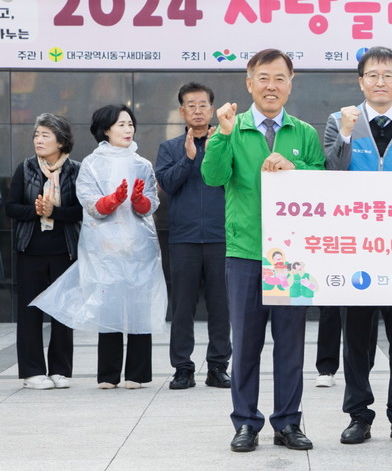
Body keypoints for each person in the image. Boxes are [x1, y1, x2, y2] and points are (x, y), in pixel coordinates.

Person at [201, 48, 324, 453]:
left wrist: (295, 168)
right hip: (245, 253)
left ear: (291, 84)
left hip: (292, 258)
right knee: (246, 345)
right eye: (264, 78)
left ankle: (288, 423)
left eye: (280, 78)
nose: (272, 86)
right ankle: (245, 423)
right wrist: (221, 135)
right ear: (249, 83)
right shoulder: (231, 128)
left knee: (290, 345)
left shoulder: (303, 133)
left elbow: (322, 181)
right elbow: (213, 176)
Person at [323, 46, 392, 445]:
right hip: (355, 245)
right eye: (372, 75)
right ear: (361, 81)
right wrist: (346, 134)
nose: (380, 82)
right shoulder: (339, 121)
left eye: (388, 75)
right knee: (357, 338)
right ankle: (358, 415)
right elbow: (330, 171)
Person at [31, 104, 167, 389]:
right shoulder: (92, 164)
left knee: (139, 308)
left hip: (138, 247)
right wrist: (111, 201)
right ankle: (108, 374)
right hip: (104, 247)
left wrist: (140, 201)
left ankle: (137, 374)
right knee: (109, 307)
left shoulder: (142, 164)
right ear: (106, 130)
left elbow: (152, 204)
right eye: (121, 125)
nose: (128, 130)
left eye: (130, 124)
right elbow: (89, 202)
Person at [155, 82, 231, 390]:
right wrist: (187, 159)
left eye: (203, 105)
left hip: (221, 236)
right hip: (183, 238)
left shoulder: (226, 142)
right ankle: (182, 369)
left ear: (212, 110)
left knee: (221, 306)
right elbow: (168, 185)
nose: (197, 110)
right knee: (182, 308)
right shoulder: (169, 148)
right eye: (191, 105)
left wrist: (217, 150)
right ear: (182, 111)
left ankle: (218, 367)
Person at [5, 113, 82, 390]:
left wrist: (54, 212)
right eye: (36, 134)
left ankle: (60, 370)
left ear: (60, 141)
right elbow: (11, 207)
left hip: (65, 250)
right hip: (30, 250)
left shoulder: (76, 170)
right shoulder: (25, 169)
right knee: (30, 313)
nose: (38, 139)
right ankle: (32, 372)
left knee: (63, 311)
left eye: (45, 135)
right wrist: (37, 211)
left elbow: (81, 210)